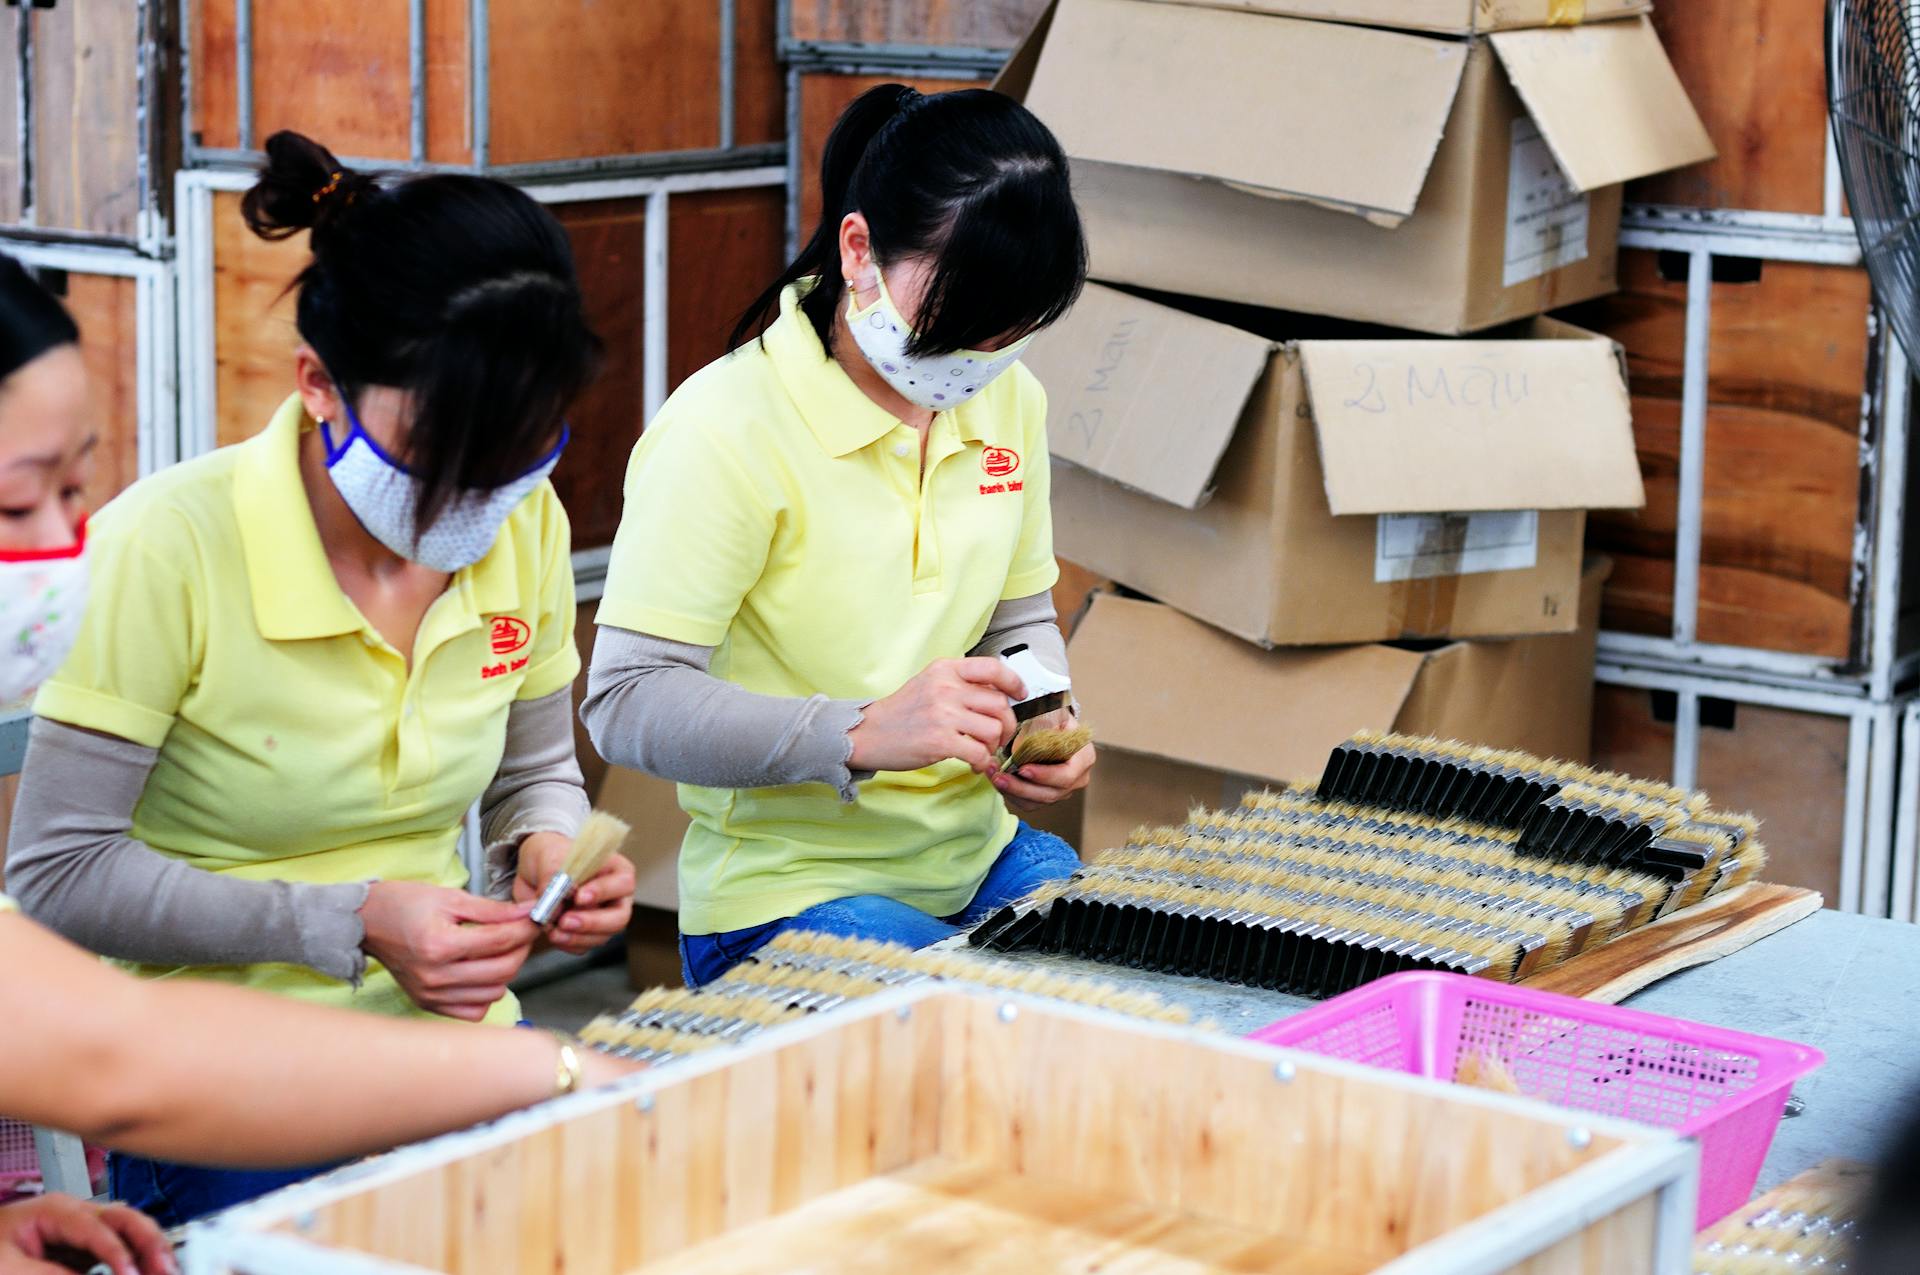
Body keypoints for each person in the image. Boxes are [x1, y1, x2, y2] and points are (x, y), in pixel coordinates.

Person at [3, 132, 637, 1227]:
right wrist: (352, 921)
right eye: (442, 456)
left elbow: (535, 771)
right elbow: (62, 886)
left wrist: (543, 853)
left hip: (448, 1038)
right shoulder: (169, 548)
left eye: (519, 454)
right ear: (319, 387)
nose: (476, 505)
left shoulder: (519, 521)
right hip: (217, 1073)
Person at [582, 85, 1094, 988]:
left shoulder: (1009, 399)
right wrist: (858, 731)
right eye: (960, 327)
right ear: (858, 250)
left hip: (982, 859)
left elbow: (1018, 620)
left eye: (1009, 337)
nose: (977, 365)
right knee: (959, 1019)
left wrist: (1040, 715)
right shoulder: (723, 431)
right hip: (789, 892)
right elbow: (627, 701)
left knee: (1118, 988)